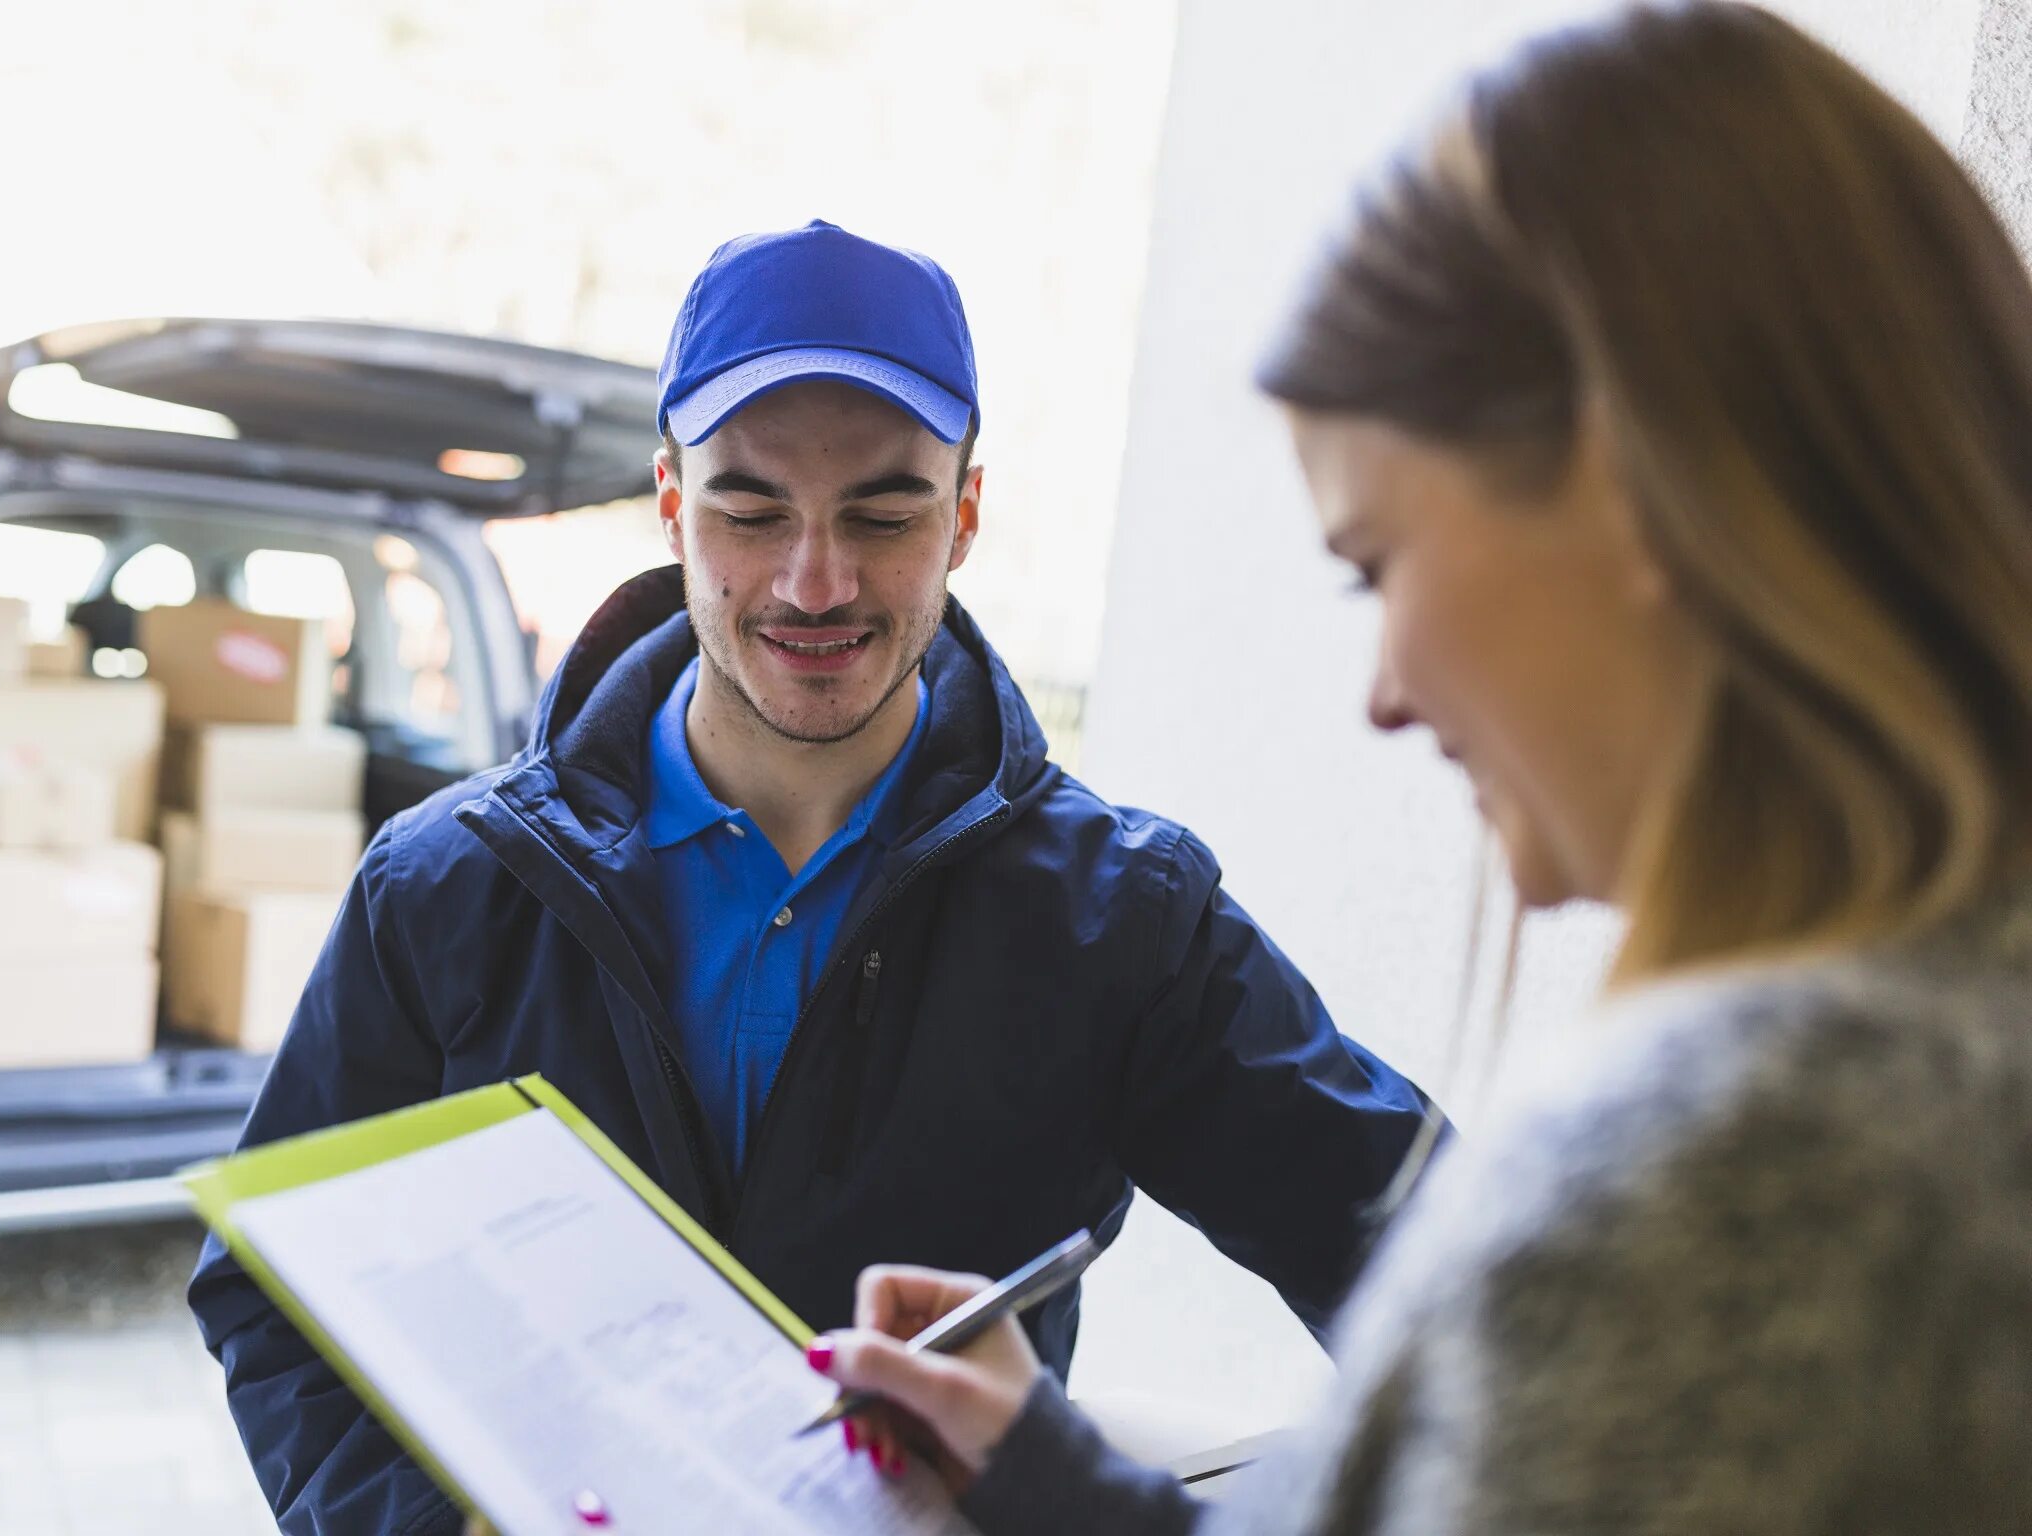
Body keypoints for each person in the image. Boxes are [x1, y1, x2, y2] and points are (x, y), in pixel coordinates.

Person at [810, 5, 2032, 1531]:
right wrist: (1056, 1480)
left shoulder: (1738, 1186)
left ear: (1635, 497)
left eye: (1378, 564)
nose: (1386, 696)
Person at [188, 217, 1439, 1535]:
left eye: (884, 511)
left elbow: (1432, 1265)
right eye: (750, 507)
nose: (814, 579)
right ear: (670, 502)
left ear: (964, 516)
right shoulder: (443, 893)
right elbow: (278, 1298)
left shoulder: (1118, 923)